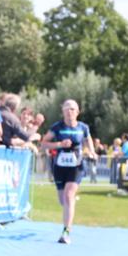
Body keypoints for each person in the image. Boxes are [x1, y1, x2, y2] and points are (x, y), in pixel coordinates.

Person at [41, 99, 93, 245]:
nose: (69, 112)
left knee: (69, 195)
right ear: (62, 111)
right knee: (62, 200)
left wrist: (91, 152)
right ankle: (69, 209)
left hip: (77, 165)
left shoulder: (83, 127)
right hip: (59, 165)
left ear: (77, 112)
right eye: (67, 109)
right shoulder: (57, 127)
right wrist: (59, 144)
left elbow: (88, 141)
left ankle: (66, 231)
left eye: (72, 109)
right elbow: (43, 143)